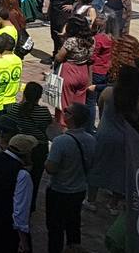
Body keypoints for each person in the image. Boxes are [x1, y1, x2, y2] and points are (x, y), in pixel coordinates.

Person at [43, 104, 94, 253]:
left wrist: (47, 160)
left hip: (59, 190)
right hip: (79, 189)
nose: (64, 112)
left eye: (67, 111)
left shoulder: (61, 141)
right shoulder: (91, 139)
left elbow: (51, 168)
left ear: (71, 117)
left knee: (55, 228)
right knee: (73, 224)